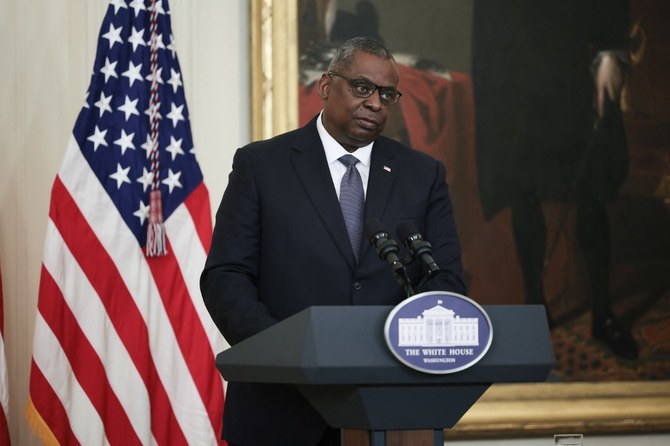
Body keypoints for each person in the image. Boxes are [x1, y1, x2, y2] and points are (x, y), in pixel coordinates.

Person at [201, 37, 467, 446]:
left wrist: (398, 348)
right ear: (326, 86)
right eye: (362, 88)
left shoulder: (422, 174)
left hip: (390, 410)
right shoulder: (261, 165)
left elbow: (444, 279)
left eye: (387, 94)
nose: (375, 103)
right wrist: (289, 354)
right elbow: (226, 277)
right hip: (281, 409)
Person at [472, 0, 637, 359]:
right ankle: (535, 306)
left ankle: (603, 313)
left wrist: (610, 53)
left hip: (573, 68)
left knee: (590, 191)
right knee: (523, 191)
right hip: (514, 77)